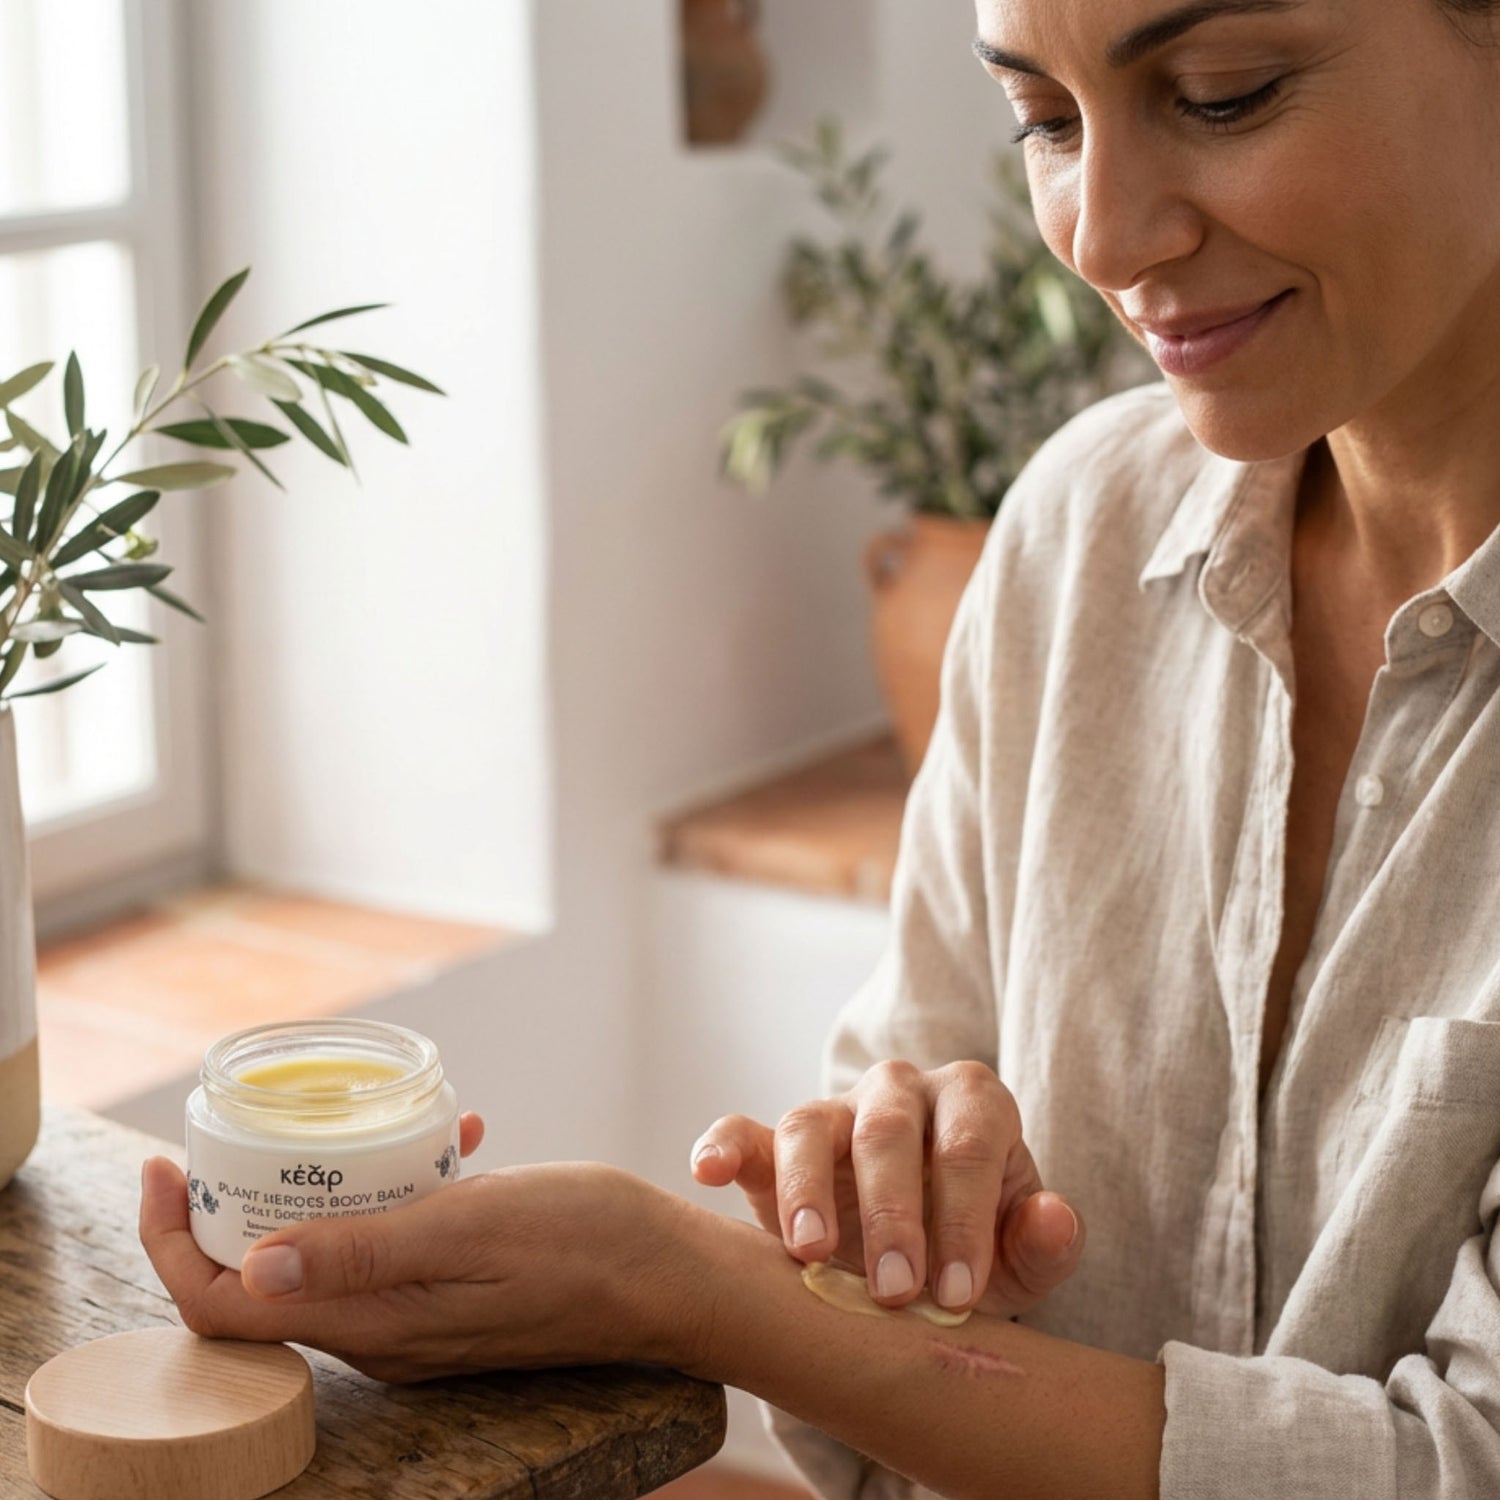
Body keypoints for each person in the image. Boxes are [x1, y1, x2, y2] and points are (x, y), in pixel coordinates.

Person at [140, 0, 1500, 1493]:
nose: (1101, 240)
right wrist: (889, 1215)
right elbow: (890, 1185)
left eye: (1223, 94)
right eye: (1044, 121)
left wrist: (689, 1293)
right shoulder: (1079, 536)